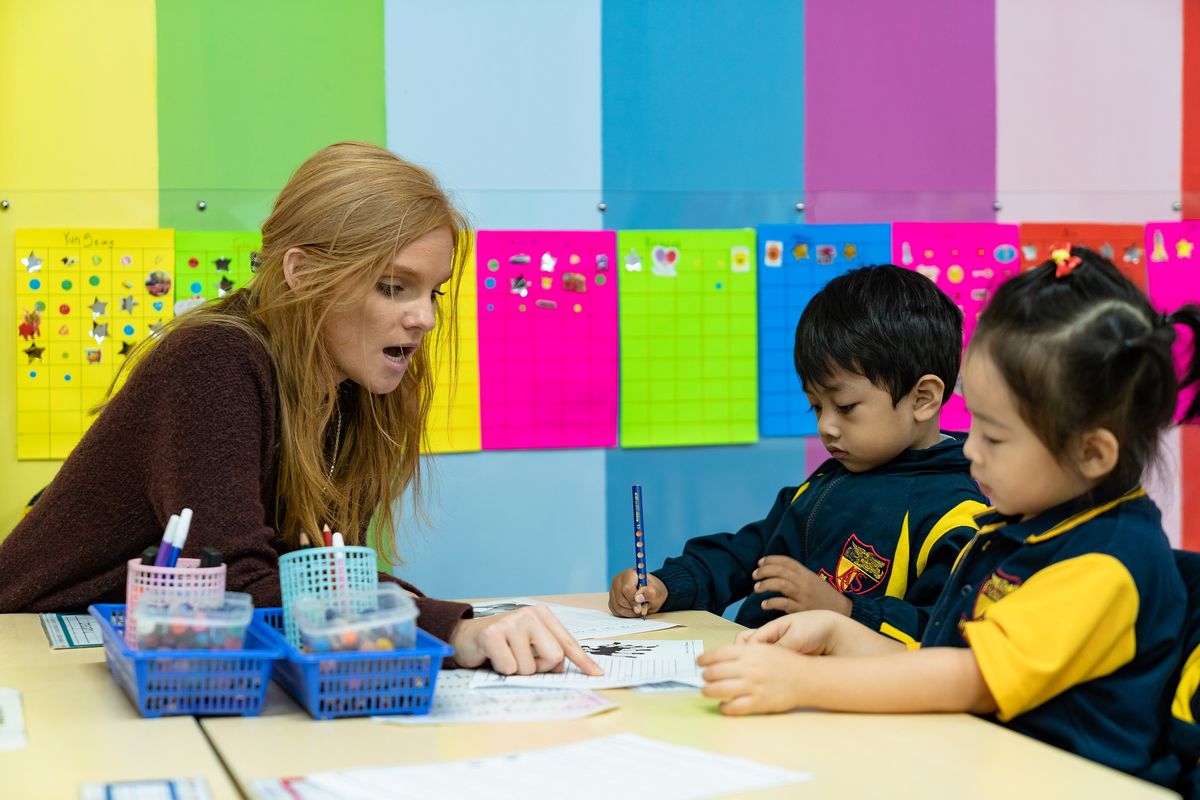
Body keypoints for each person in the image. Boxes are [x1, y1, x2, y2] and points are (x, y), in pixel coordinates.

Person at [0, 141, 600, 677]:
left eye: (433, 290)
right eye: (394, 286)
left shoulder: (351, 389)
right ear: (302, 272)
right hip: (40, 652)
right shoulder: (213, 360)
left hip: (172, 658)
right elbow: (239, 583)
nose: (425, 318)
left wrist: (443, 621)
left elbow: (326, 577)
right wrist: (451, 627)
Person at [699, 246, 1200, 785]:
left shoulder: (1104, 565)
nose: (970, 450)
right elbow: (941, 655)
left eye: (995, 436)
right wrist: (837, 633)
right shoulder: (1025, 527)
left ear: (1091, 453)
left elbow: (971, 679)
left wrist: (800, 682)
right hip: (974, 764)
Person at [610, 265, 987, 642]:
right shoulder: (827, 483)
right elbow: (747, 554)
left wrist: (844, 610)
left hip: (844, 692)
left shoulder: (952, 515)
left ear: (922, 399)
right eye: (816, 407)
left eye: (846, 406)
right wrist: (665, 586)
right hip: (763, 668)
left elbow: (947, 634)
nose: (826, 426)